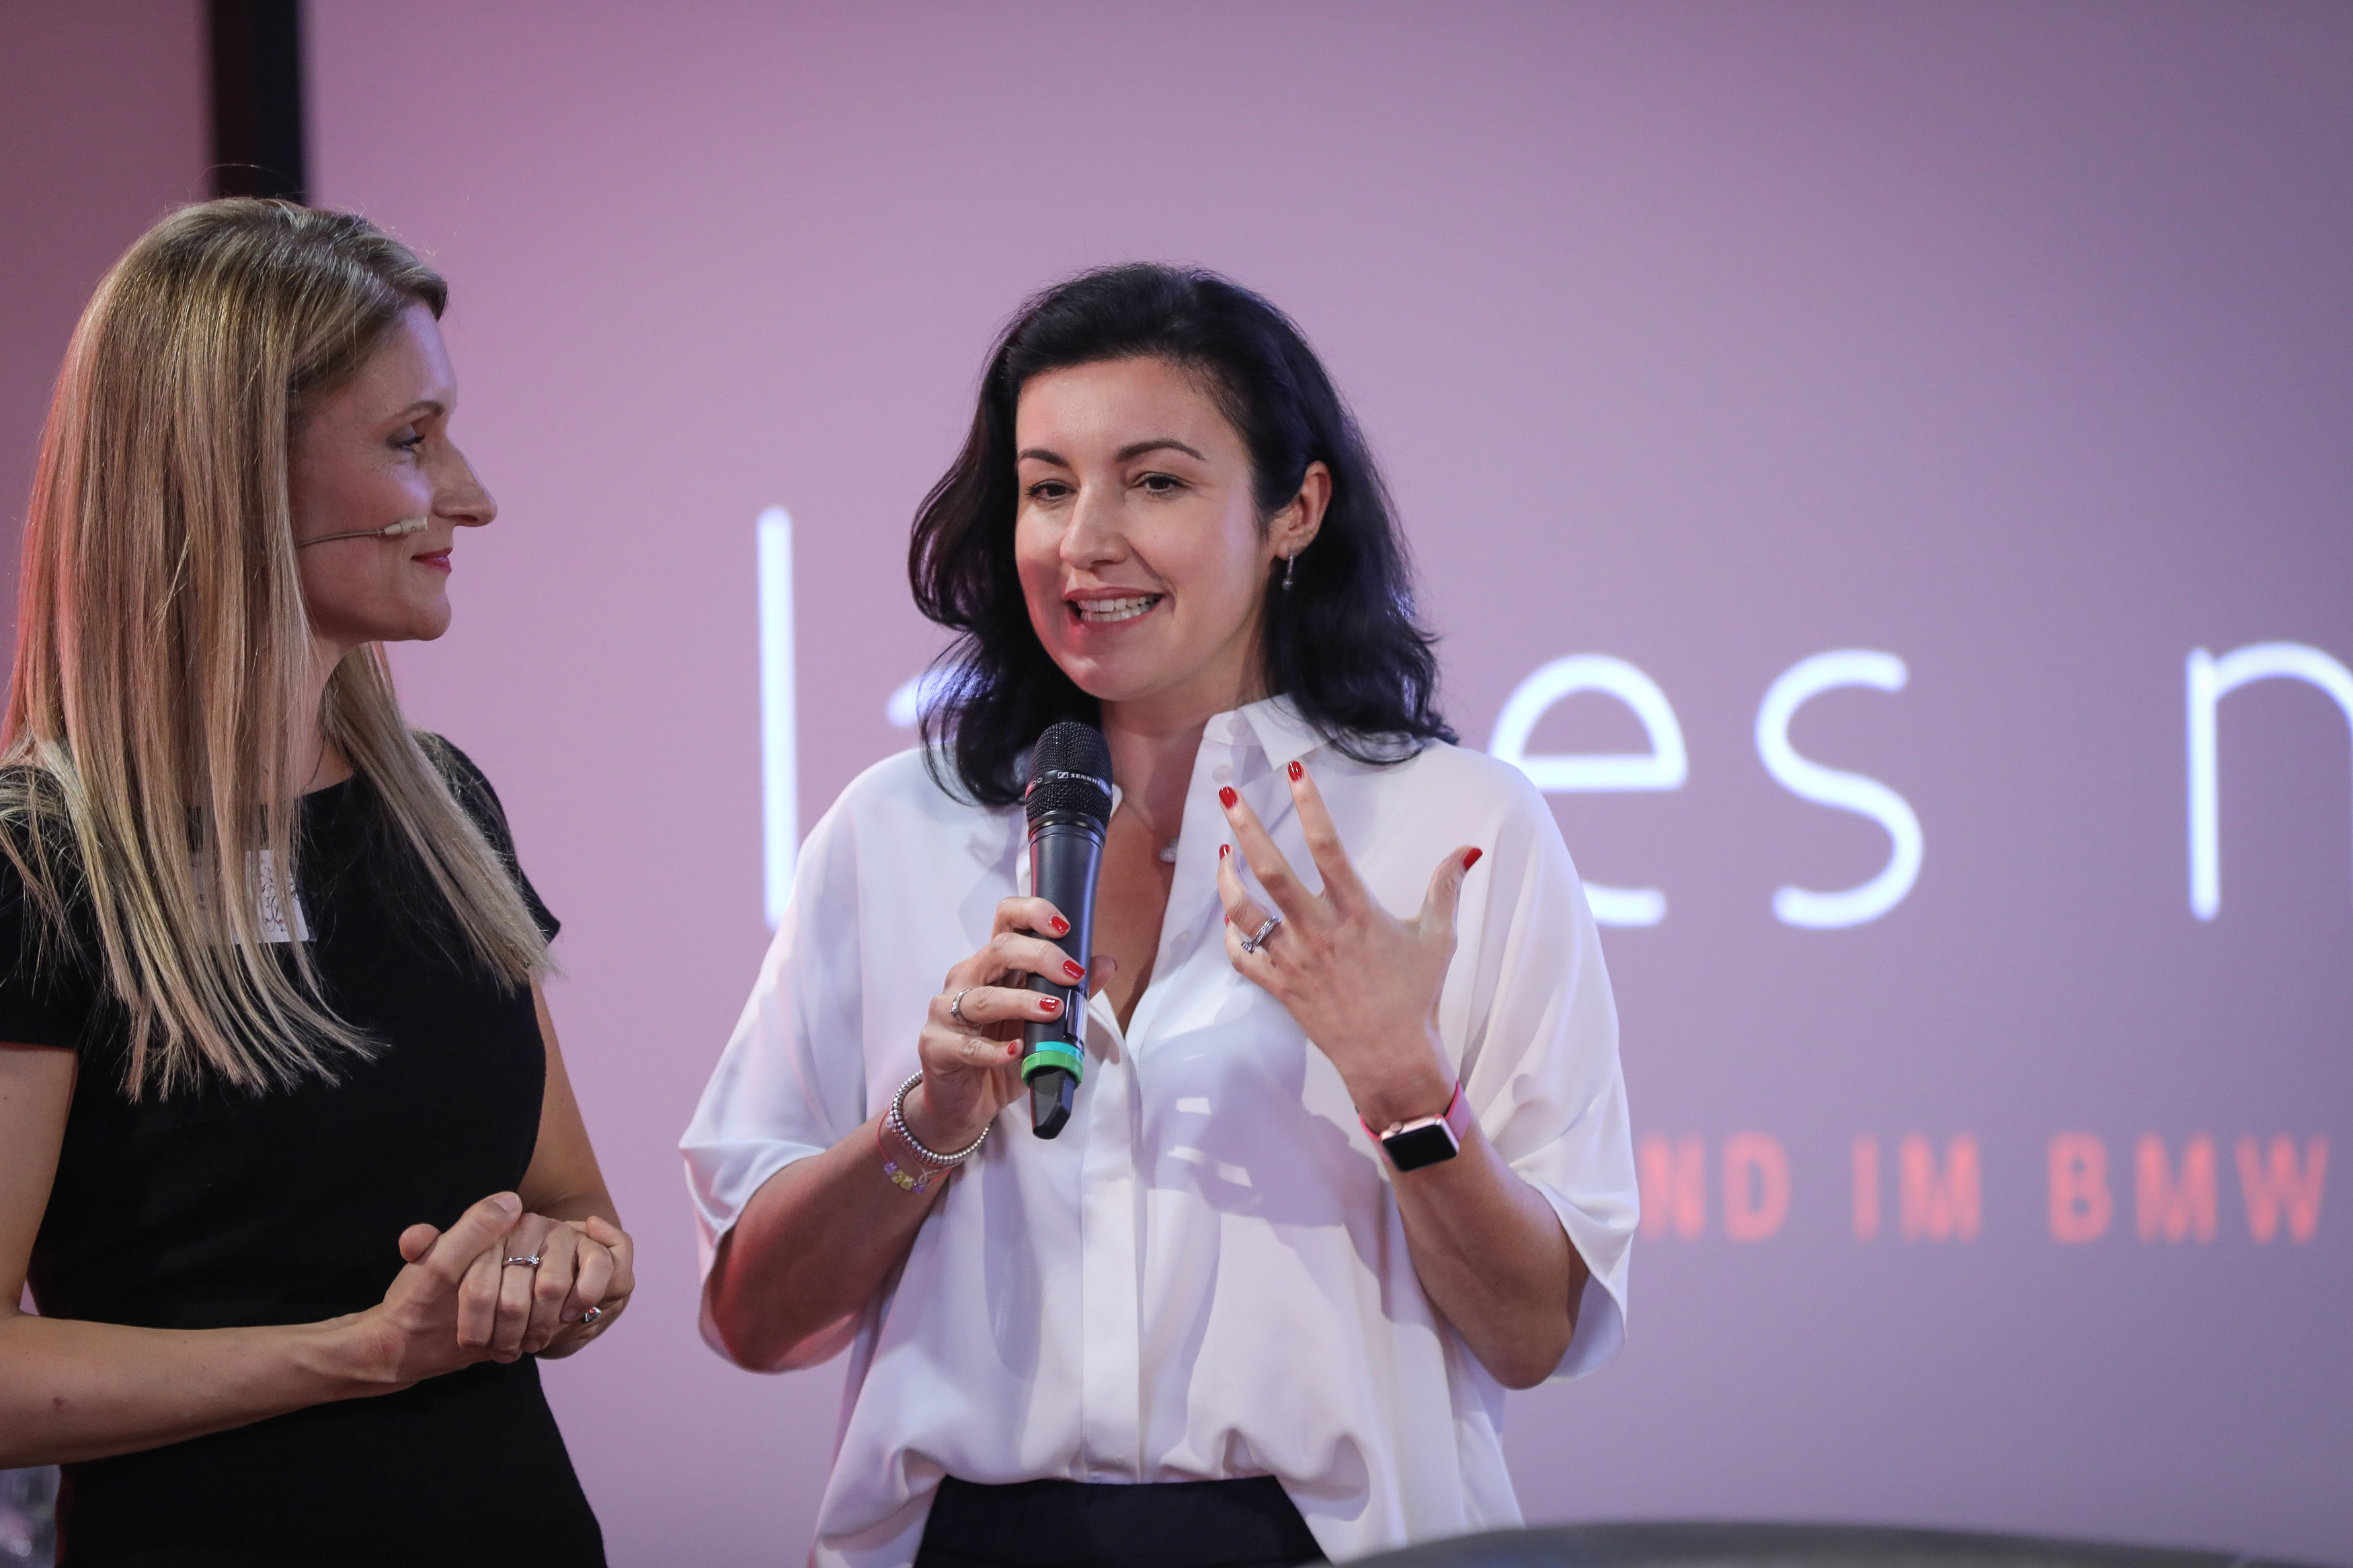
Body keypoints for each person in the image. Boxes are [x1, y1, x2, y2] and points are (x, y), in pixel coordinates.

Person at [685, 264, 1636, 1568]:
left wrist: (1402, 1082)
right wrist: (930, 1119)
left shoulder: (1460, 829)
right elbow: (754, 1320)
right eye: (1046, 487)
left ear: (1296, 510)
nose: (1084, 540)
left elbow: (1533, 1335)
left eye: (1156, 482)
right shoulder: (892, 828)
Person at [0, 200, 632, 1565]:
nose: (471, 495)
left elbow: (573, 1204)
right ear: (229, 476)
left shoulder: (443, 807)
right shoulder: (37, 865)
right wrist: (354, 1355)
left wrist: (571, 1269)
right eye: (411, 441)